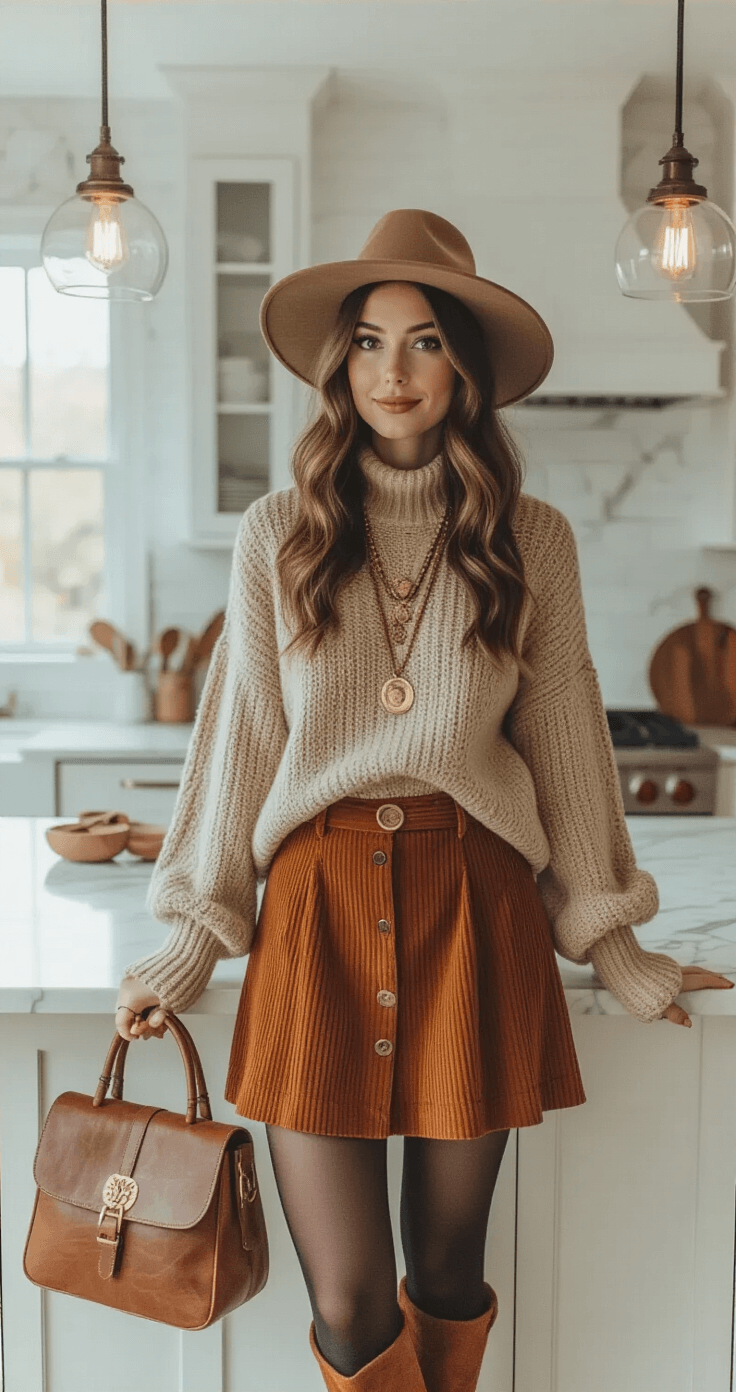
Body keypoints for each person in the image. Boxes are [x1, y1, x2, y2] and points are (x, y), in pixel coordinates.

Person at [115, 209, 733, 1392]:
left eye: (425, 343)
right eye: (366, 342)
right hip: (315, 918)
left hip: (474, 908)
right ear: (337, 366)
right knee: (348, 1303)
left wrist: (616, 942)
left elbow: (562, 733)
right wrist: (189, 939)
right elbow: (243, 733)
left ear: (467, 370)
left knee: (446, 1275)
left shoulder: (527, 539)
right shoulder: (278, 534)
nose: (392, 372)